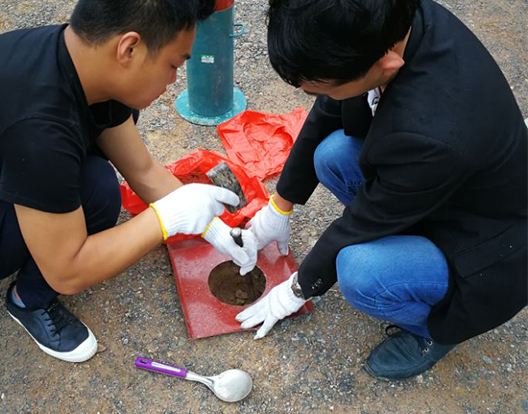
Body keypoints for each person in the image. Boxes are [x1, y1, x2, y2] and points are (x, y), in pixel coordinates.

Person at [236, 0, 527, 380]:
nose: (310, 94)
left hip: (486, 239)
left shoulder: (432, 132)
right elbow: (328, 108)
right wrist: (280, 205)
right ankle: (407, 247)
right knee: (332, 154)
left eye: (316, 87)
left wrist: (297, 287)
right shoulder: (388, 23)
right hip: (437, 187)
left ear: (385, 66)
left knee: (361, 271)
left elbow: (364, 219)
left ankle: (434, 329)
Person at [0, 0, 257, 363]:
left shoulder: (83, 64)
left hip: (18, 166)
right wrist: (167, 219)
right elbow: (67, 272)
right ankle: (26, 299)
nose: (172, 82)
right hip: (25, 166)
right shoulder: (40, 127)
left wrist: (213, 230)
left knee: (98, 186)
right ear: (130, 48)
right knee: (91, 193)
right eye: (173, 65)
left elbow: (143, 171)